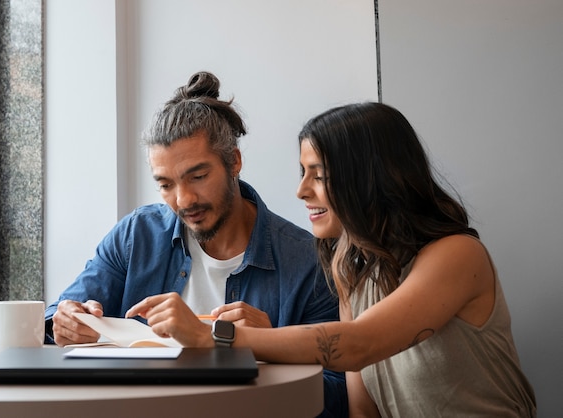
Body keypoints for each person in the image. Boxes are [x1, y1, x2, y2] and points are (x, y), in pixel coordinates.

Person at [127, 102, 537, 417]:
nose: (301, 191)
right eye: (303, 172)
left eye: (318, 174)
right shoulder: (351, 270)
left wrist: (216, 337)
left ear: (370, 176)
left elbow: (359, 344)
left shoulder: (456, 255)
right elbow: (362, 410)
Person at [45, 71, 347, 417]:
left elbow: (337, 399)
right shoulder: (136, 236)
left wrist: (266, 350)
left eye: (198, 177)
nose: (184, 199)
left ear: (234, 161)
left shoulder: (309, 262)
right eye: (165, 185)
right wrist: (64, 321)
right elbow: (61, 313)